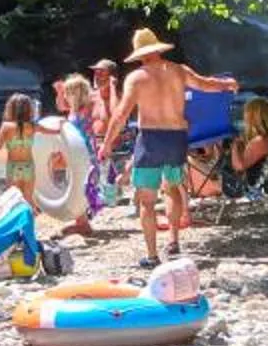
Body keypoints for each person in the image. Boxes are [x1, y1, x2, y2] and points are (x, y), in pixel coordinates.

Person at [117, 27, 235, 266]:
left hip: (150, 138)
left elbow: (122, 113)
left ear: (140, 54)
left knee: (147, 200)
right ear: (158, 49)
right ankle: (173, 240)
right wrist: (226, 84)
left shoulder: (136, 78)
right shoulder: (179, 71)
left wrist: (107, 143)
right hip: (176, 137)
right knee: (172, 188)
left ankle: (151, 256)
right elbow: (205, 84)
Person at [52, 74, 103, 236]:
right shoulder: (76, 110)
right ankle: (82, 223)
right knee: (75, 188)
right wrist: (60, 92)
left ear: (75, 93)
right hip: (79, 154)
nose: (65, 95)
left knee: (78, 189)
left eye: (67, 92)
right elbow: (61, 107)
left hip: (84, 156)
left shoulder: (86, 108)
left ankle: (82, 224)